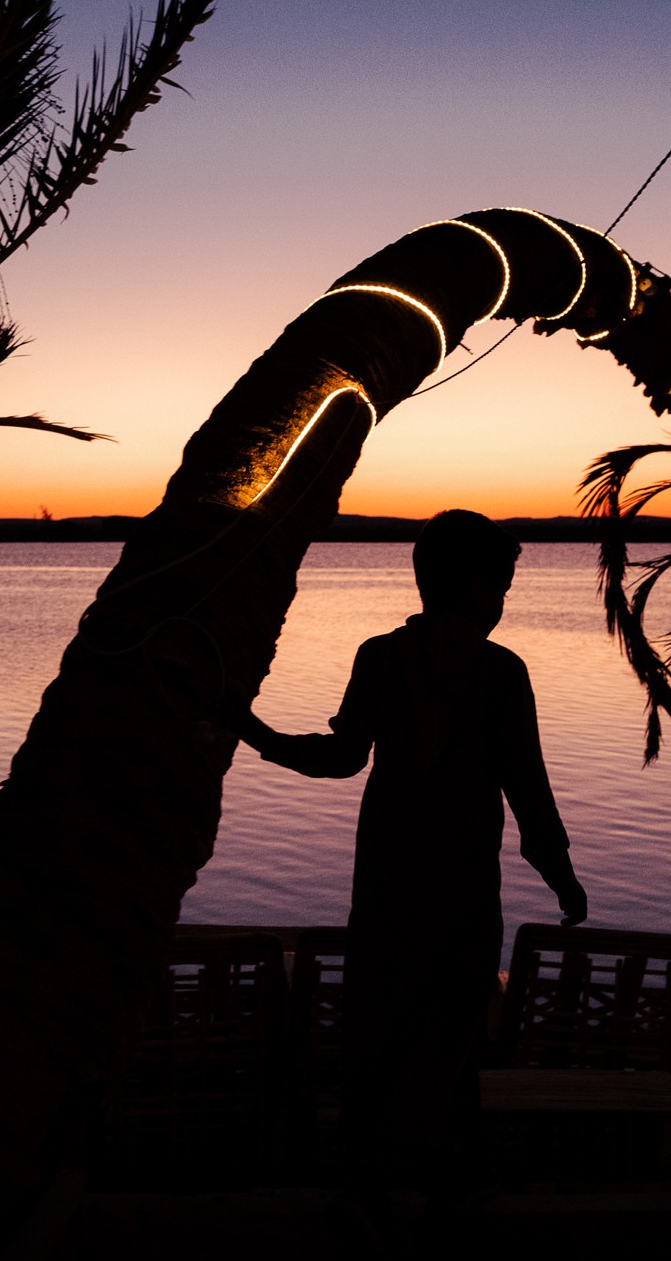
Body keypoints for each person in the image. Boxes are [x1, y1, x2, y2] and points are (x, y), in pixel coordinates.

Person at [239, 509, 586, 1198]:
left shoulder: (382, 656)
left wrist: (253, 730)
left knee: (383, 1030)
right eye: (501, 587)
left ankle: (376, 1178)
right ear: (475, 586)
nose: (502, 603)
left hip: (389, 886)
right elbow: (530, 791)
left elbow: (341, 758)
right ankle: (433, 1180)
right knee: (450, 1038)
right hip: (459, 891)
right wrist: (562, 878)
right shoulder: (500, 672)